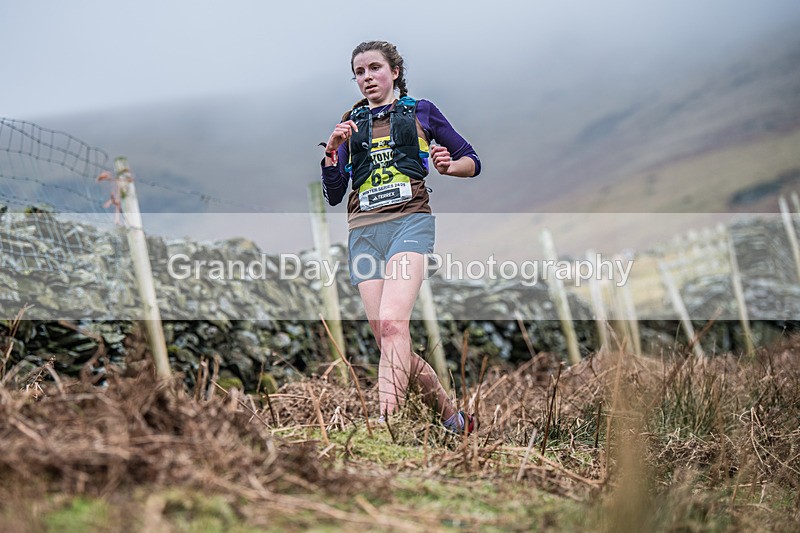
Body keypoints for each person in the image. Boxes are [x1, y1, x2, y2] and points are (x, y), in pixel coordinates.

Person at [320, 40, 481, 434]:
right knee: (388, 339)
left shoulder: (422, 111)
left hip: (410, 222)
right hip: (363, 233)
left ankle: (386, 426)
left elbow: (472, 161)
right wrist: (332, 154)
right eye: (359, 72)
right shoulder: (349, 123)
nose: (367, 77)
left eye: (374, 68)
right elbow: (335, 193)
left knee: (393, 324)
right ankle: (453, 419)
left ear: (394, 71)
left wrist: (448, 166)